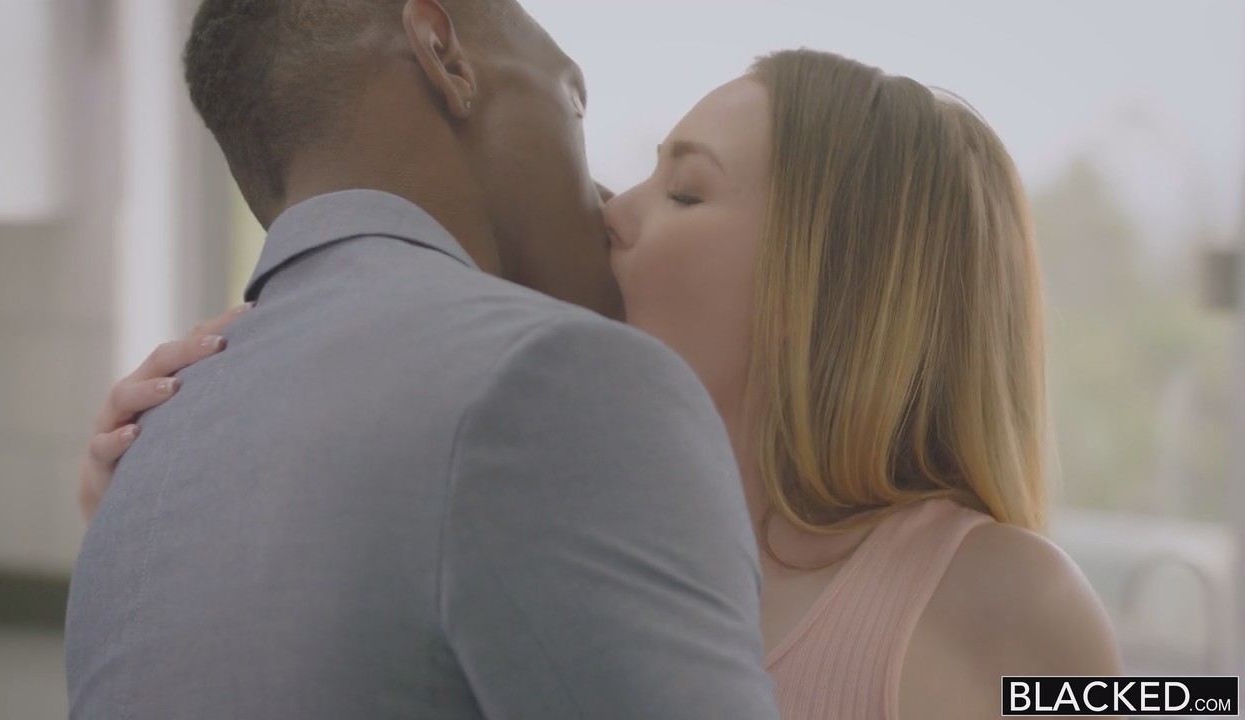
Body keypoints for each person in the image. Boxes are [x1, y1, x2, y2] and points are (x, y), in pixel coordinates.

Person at [79, 29, 1125, 720]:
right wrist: (168, 479)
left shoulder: (1007, 599)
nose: (611, 209)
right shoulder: (537, 516)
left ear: (836, 277)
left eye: (685, 193)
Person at [63, 1, 780, 718]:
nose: (608, 200)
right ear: (444, 55)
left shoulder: (140, 465)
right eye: (574, 103)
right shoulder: (557, 374)